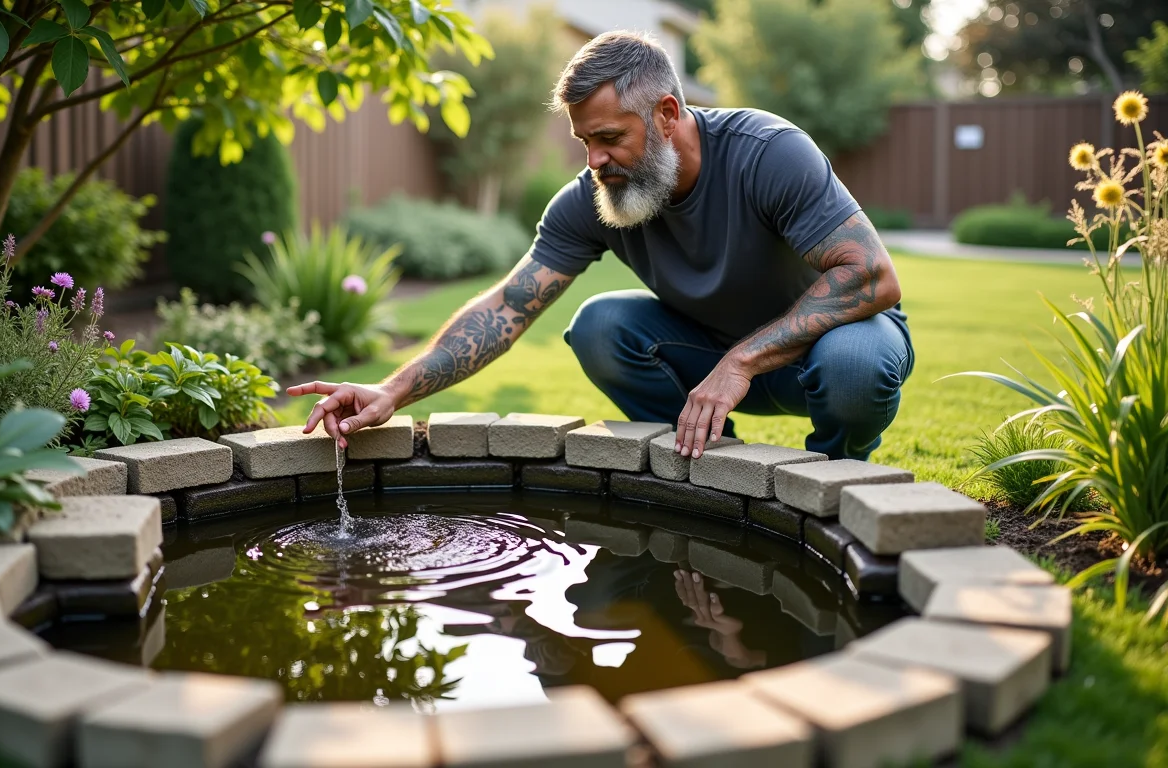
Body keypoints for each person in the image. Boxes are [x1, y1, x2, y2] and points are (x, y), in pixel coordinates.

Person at [288, 30, 914, 463]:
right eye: (584, 141)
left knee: (854, 364)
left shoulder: (767, 152)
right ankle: (714, 465)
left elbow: (870, 277)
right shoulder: (593, 196)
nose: (595, 160)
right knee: (600, 327)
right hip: (711, 363)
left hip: (823, 357)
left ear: (667, 112)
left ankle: (838, 479)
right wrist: (391, 391)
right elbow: (508, 308)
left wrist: (741, 363)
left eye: (610, 137)